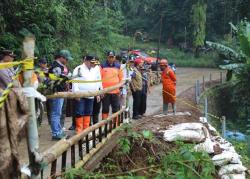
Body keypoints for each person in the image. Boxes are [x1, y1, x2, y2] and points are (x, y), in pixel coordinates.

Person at [72, 55, 101, 133]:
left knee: (88, 112)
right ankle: (79, 130)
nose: (93, 64)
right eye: (91, 62)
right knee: (79, 111)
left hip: (91, 94)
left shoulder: (96, 68)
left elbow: (98, 80)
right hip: (80, 94)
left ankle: (86, 130)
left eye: (94, 62)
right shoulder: (78, 68)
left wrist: (98, 93)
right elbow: (75, 81)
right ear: (86, 61)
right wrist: (76, 93)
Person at [49, 49, 73, 140]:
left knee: (58, 112)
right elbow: (57, 80)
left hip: (61, 91)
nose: (67, 61)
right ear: (62, 58)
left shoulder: (61, 66)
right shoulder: (56, 66)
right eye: (66, 59)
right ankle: (55, 133)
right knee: (56, 113)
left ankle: (58, 130)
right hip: (56, 91)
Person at [101, 51, 123, 120]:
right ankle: (104, 124)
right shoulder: (102, 65)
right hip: (105, 92)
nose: (111, 59)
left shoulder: (118, 66)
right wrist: (101, 91)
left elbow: (121, 78)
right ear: (107, 57)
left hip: (116, 92)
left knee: (116, 108)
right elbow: (99, 78)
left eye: (112, 57)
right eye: (109, 57)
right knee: (105, 109)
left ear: (114, 57)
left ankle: (115, 125)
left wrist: (120, 89)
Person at [91, 57, 103, 125]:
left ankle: (96, 124)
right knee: (89, 110)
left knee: (97, 109)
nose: (95, 65)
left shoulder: (97, 68)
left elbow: (99, 80)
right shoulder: (86, 70)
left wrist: (100, 91)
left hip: (97, 90)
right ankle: (88, 125)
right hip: (90, 91)